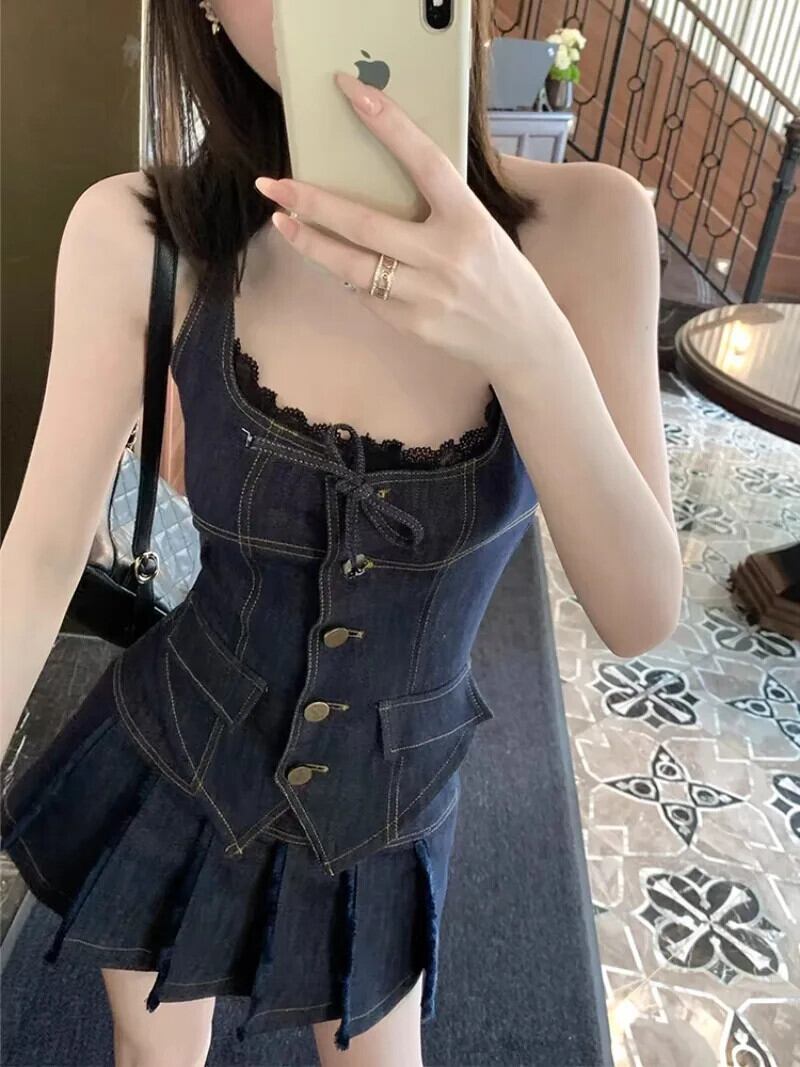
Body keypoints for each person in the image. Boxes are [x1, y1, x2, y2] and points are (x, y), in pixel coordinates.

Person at [0, 1, 683, 1065]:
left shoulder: (591, 224)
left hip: (388, 811)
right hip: (176, 756)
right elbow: (39, 556)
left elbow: (638, 613)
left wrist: (526, 338)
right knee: (156, 1052)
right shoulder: (140, 231)